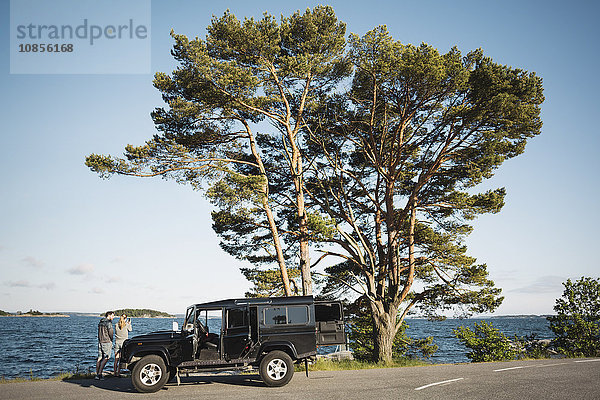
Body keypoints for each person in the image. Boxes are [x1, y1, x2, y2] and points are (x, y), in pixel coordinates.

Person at [96, 311, 115, 380]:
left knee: (99, 358)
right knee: (106, 358)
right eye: (112, 315)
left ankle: (97, 374)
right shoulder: (108, 323)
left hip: (100, 341)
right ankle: (100, 374)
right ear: (109, 315)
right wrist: (111, 340)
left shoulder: (100, 322)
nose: (113, 317)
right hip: (106, 342)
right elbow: (111, 332)